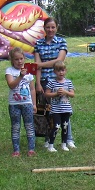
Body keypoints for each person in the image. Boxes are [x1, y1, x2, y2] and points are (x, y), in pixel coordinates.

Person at [34, 17, 75, 148]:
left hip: (58, 79)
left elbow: (59, 61)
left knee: (63, 109)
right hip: (44, 80)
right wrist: (38, 83)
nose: (50, 30)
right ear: (44, 28)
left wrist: (41, 64)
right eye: (48, 27)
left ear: (56, 28)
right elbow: (37, 66)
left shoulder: (61, 42)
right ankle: (48, 138)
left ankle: (68, 139)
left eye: (53, 27)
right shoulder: (38, 44)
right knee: (47, 111)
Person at [5, 46, 37, 157]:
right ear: (12, 60)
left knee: (29, 126)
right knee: (15, 127)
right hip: (14, 104)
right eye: (16, 59)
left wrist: (34, 104)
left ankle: (31, 149)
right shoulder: (9, 71)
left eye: (21, 58)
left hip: (27, 103)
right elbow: (11, 85)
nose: (19, 61)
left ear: (24, 58)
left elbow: (32, 89)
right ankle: (16, 150)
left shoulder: (29, 72)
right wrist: (20, 76)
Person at [44, 60, 75, 152]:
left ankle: (64, 144)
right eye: (58, 70)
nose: (61, 72)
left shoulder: (68, 82)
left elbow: (72, 94)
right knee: (56, 126)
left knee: (65, 126)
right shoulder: (52, 83)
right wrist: (55, 94)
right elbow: (47, 94)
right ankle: (51, 145)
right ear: (54, 72)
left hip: (66, 109)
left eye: (62, 70)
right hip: (56, 109)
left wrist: (65, 92)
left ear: (65, 71)